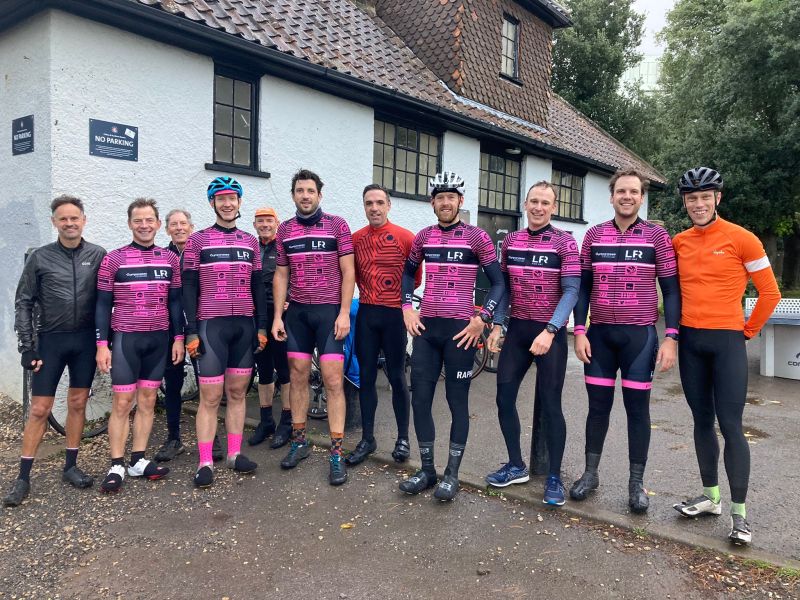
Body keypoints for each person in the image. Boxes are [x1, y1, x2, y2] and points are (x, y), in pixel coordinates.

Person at [671, 167, 780, 545]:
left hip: (728, 342)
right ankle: (710, 497)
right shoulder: (679, 242)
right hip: (691, 342)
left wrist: (746, 332)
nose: (698, 204)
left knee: (731, 425)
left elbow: (770, 293)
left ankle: (740, 514)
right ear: (684, 202)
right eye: (691, 198)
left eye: (705, 197)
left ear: (718, 198)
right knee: (701, 421)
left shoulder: (742, 239)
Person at [570, 169, 680, 514]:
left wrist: (672, 338)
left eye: (634, 192)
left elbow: (672, 290)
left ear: (642, 197)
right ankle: (590, 474)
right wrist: (579, 330)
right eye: (621, 191)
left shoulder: (656, 237)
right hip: (600, 335)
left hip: (640, 337)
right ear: (612, 195)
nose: (627, 197)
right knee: (597, 408)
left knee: (637, 412)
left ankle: (636, 484)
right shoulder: (594, 236)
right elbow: (583, 287)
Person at [399, 171, 504, 501]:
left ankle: (452, 474)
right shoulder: (423, 237)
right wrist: (406, 308)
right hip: (428, 330)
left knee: (457, 402)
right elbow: (406, 274)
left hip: (461, 333)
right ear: (432, 203)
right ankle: (427, 470)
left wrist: (482, 318)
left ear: (460, 201)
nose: (446, 202)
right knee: (420, 400)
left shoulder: (477, 237)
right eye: (440, 197)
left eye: (451, 197)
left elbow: (499, 283)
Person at [3, 196, 106, 506]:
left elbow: (108, 298)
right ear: (55, 222)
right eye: (63, 219)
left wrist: (107, 339)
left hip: (85, 341)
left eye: (75, 218)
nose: (69, 223)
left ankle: (71, 466)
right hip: (51, 340)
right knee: (39, 409)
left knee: (77, 403)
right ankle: (23, 477)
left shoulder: (98, 255)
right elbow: (24, 302)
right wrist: (26, 345)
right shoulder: (41, 257)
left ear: (84, 220)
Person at [485, 181, 580, 506]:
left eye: (545, 203)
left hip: (548, 333)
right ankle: (516, 465)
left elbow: (571, 291)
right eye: (534, 201)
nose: (539, 207)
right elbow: (505, 287)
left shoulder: (565, 243)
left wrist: (551, 330)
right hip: (519, 329)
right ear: (525, 204)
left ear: (553, 207)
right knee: (503, 397)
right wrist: (498, 325)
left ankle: (554, 476)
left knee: (551, 405)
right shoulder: (510, 241)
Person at [272, 169, 355, 486]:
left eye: (310, 190)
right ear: (293, 195)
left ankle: (335, 453)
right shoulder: (285, 230)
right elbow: (281, 274)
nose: (304, 195)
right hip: (297, 316)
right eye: (299, 190)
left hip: (329, 313)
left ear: (320, 194)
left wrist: (345, 312)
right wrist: (278, 316)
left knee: (333, 380)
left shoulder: (337, 225)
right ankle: (300, 440)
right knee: (297, 376)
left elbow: (349, 271)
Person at [183, 177, 267, 488]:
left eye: (232, 198)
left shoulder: (250, 241)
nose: (227, 203)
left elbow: (259, 286)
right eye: (221, 198)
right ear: (212, 203)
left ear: (240, 202)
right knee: (210, 396)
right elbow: (189, 287)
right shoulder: (197, 241)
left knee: (236, 393)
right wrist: (191, 331)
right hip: (210, 326)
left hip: (244, 325)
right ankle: (205, 460)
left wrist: (260, 325)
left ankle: (234, 454)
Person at [96, 198, 183, 492]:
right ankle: (117, 464)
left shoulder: (170, 260)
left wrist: (179, 338)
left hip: (158, 339)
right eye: (138, 221)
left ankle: (138, 459)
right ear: (130, 223)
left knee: (147, 402)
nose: (144, 226)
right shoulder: (114, 259)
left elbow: (175, 303)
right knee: (123, 403)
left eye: (149, 220)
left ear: (158, 224)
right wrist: (101, 344)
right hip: (125, 339)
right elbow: (102, 304)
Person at [347, 184, 420, 467]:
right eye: (368, 203)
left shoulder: (405, 237)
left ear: (389, 205)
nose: (374, 208)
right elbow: (349, 275)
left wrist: (401, 304)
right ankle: (368, 438)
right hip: (367, 313)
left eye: (379, 202)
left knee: (397, 375)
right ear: (364, 207)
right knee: (365, 377)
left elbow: (415, 278)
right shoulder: (355, 239)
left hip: (393, 316)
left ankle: (403, 438)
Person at [248, 207, 292, 448]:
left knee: (284, 370)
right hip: (256, 317)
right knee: (263, 370)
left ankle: (286, 422)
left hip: (281, 316)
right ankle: (266, 421)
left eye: (269, 220)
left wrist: (290, 298)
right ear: (254, 225)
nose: (264, 224)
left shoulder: (283, 247)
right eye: (260, 221)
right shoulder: (251, 248)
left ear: (277, 222)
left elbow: (295, 275)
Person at [154, 208, 195, 463]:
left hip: (199, 327)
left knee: (208, 385)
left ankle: (211, 437)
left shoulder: (200, 252)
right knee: (173, 384)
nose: (179, 227)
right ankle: (174, 437)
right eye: (173, 224)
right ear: (167, 229)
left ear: (191, 226)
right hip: (171, 329)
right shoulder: (162, 257)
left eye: (183, 223)